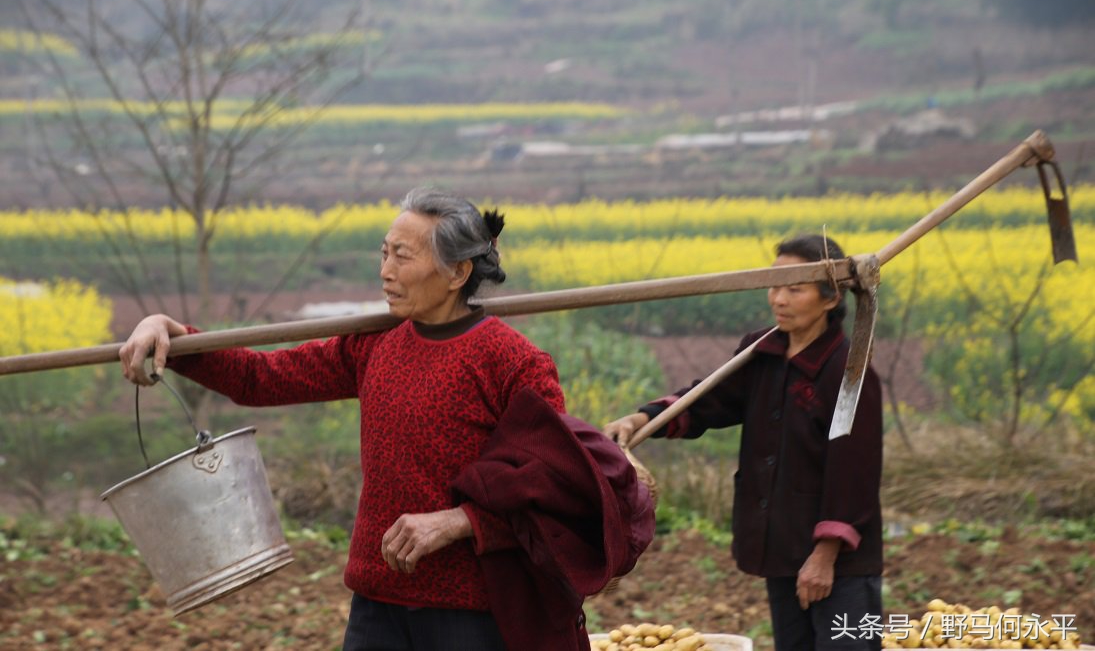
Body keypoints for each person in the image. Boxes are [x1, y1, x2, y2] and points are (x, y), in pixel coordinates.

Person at [119, 187, 653, 651]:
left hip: (470, 610)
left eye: (403, 257)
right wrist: (173, 334)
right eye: (384, 254)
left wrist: (458, 521)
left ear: (457, 272)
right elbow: (262, 379)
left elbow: (551, 484)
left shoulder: (512, 363)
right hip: (377, 600)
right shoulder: (375, 345)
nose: (386, 273)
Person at [604, 234, 883, 651]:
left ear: (830, 298)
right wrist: (645, 417)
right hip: (783, 546)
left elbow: (853, 473)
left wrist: (824, 555)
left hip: (838, 562)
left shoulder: (848, 371)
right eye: (774, 286)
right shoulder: (763, 353)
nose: (779, 299)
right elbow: (709, 399)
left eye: (795, 288)